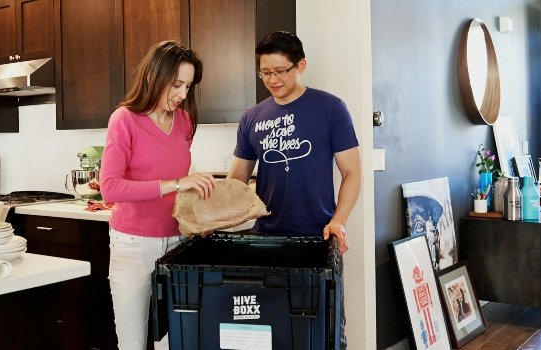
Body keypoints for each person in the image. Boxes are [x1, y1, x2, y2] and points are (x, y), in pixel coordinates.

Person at [226, 31, 361, 348]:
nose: (272, 79)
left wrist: (339, 220)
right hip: (266, 240)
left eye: (279, 71)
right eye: (265, 72)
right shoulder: (251, 118)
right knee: (268, 332)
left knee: (324, 332)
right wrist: (209, 210)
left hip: (318, 239)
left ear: (301, 65)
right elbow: (236, 180)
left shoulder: (330, 108)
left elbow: (352, 173)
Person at [100, 40, 216, 350]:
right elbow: (110, 187)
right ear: (154, 76)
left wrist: (198, 215)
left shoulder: (185, 123)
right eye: (176, 84)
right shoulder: (124, 120)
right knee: (133, 342)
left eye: (188, 86)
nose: (182, 94)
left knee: (173, 341)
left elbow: (181, 191)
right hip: (133, 246)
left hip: (177, 245)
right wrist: (177, 183)